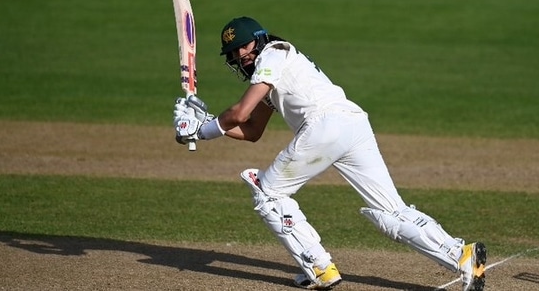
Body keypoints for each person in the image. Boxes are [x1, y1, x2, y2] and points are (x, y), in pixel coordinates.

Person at [173, 16, 487, 291]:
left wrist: (201, 130)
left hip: (324, 126)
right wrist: (202, 123)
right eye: (234, 52)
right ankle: (462, 254)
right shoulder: (275, 73)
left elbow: (239, 113)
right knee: (391, 212)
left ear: (260, 39)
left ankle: (319, 268)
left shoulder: (274, 53)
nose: (241, 55)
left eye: (244, 46)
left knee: (268, 194)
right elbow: (252, 130)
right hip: (353, 125)